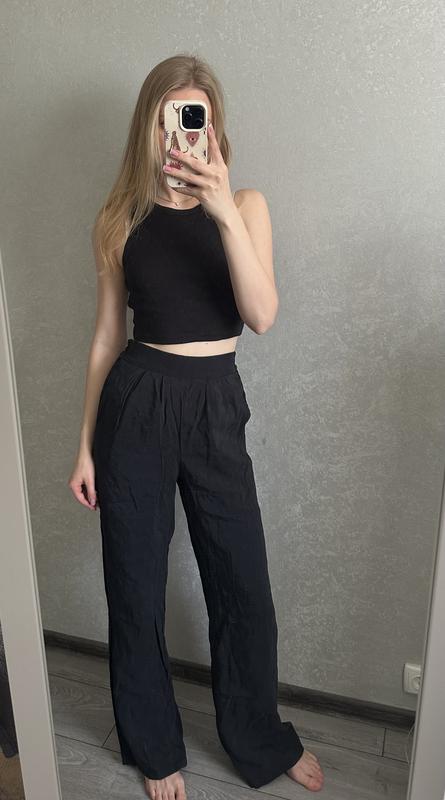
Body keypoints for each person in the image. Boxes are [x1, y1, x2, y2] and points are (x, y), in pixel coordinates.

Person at [68, 53, 324, 797]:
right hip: (137, 403)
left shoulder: (245, 205)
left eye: (194, 117)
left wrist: (219, 209)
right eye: (168, 117)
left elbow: (262, 314)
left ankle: (258, 738)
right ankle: (154, 747)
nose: (180, 131)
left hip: (214, 403)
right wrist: (83, 447)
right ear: (148, 126)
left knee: (243, 585)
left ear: (212, 126)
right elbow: (106, 338)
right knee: (135, 586)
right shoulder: (118, 218)